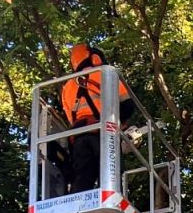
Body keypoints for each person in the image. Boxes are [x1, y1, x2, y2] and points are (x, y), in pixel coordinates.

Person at [56, 43, 134, 194]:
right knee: (112, 176)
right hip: (103, 133)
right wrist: (121, 124)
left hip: (78, 136)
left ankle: (78, 203)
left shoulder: (68, 86)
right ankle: (112, 199)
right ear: (95, 57)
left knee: (83, 176)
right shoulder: (106, 74)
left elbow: (70, 118)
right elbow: (127, 106)